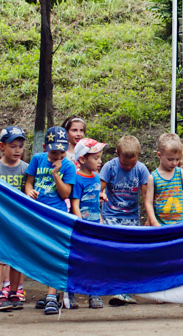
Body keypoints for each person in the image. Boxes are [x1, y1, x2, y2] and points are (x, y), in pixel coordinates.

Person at [25, 126, 76, 315]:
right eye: (54, 151)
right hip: (38, 212)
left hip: (57, 214)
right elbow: (29, 181)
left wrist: (56, 173)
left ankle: (52, 296)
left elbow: (65, 194)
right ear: (45, 147)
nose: (58, 156)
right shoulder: (37, 159)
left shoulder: (68, 166)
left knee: (55, 252)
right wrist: (29, 192)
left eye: (62, 152)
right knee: (41, 253)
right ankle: (49, 293)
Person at [99, 135, 150, 306]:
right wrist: (99, 216)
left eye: (132, 163)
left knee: (129, 255)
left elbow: (146, 196)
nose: (128, 167)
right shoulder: (109, 167)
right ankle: (117, 290)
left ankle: (125, 291)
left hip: (131, 218)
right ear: (116, 154)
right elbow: (99, 191)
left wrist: (149, 220)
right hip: (111, 216)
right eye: (124, 163)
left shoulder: (141, 170)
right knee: (115, 253)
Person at [0, 125, 29, 312]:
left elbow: (28, 191)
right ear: (2, 146)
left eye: (20, 146)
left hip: (19, 221)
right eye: (13, 146)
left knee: (18, 257)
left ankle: (14, 291)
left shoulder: (26, 169)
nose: (17, 150)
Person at [68, 139, 106, 309]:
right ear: (82, 159)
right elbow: (75, 203)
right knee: (78, 259)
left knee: (95, 259)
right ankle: (71, 292)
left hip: (95, 225)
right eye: (96, 158)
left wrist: (100, 221)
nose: (100, 161)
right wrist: (81, 224)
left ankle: (94, 293)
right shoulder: (77, 179)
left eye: (100, 157)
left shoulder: (97, 177)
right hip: (82, 226)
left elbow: (96, 202)